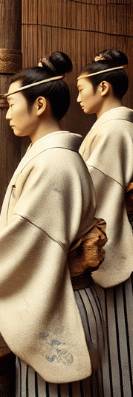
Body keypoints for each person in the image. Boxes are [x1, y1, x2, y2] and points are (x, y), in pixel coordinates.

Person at [0, 52, 105, 395]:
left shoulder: (54, 162)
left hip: (63, 305)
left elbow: (38, 240)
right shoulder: (52, 155)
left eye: (12, 104)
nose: (7, 114)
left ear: (39, 104)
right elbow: (40, 230)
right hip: (63, 298)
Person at [76, 49, 133, 397]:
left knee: (118, 344)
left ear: (104, 88)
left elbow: (93, 200)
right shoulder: (119, 127)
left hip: (116, 239)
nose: (78, 95)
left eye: (83, 87)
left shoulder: (112, 132)